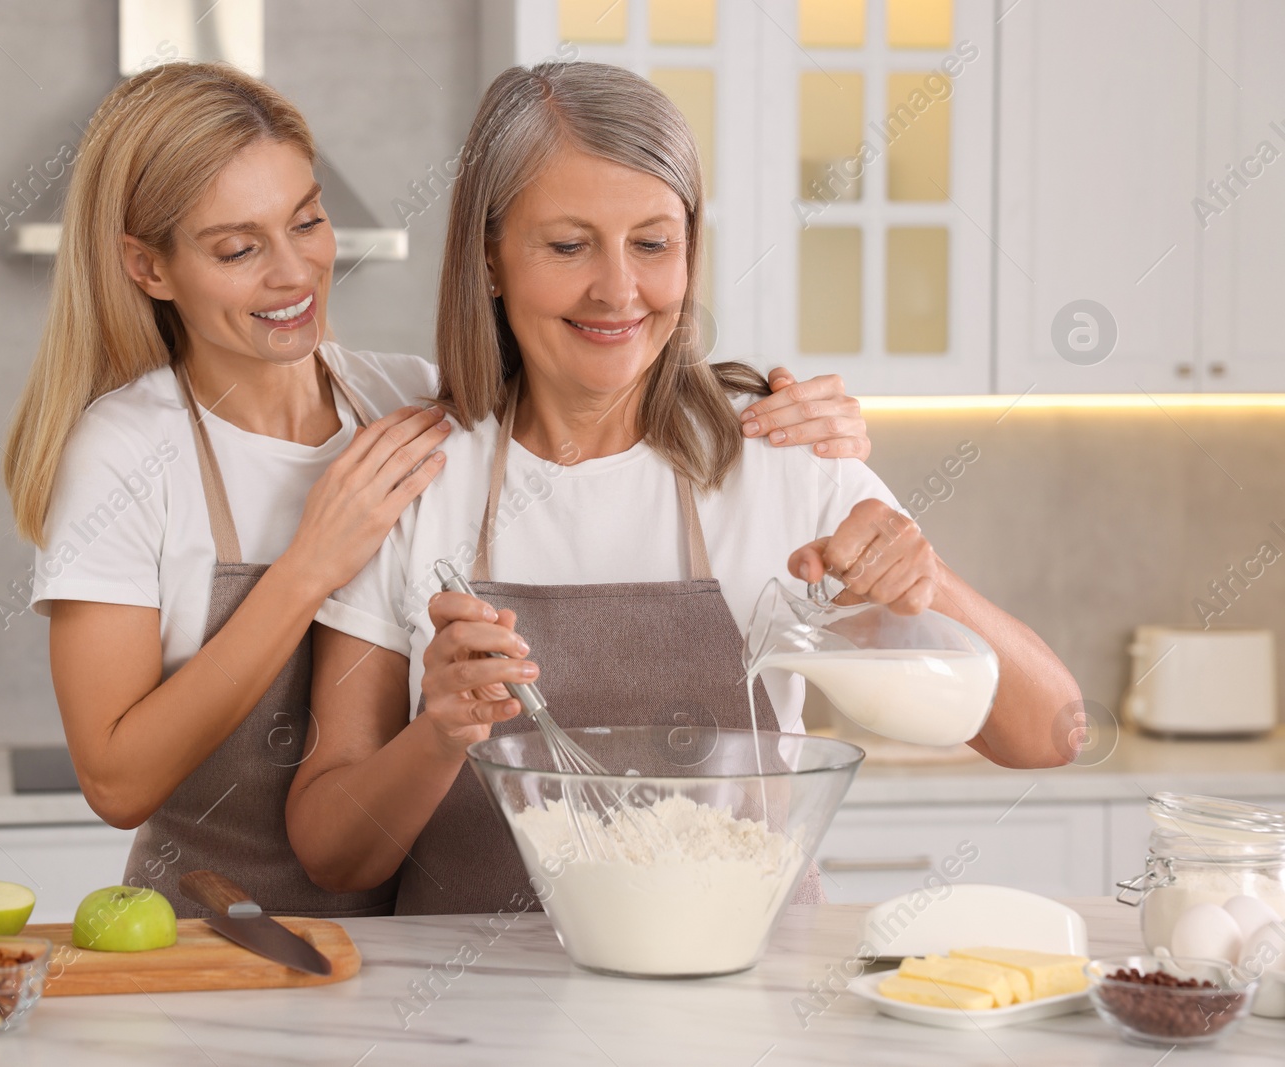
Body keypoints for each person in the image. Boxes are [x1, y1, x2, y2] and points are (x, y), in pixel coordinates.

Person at [2, 62, 871, 916]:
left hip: (393, 945)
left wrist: (805, 433)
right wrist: (307, 566)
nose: (293, 273)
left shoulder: (405, 404)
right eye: (238, 248)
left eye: (307, 222)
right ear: (148, 268)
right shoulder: (125, 451)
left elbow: (575, 382)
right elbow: (115, 781)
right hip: (216, 934)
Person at [287, 62, 1082, 916]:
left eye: (654, 243)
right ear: (489, 259)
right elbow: (334, 851)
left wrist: (927, 583)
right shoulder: (414, 477)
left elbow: (1052, 733)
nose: (618, 290)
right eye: (567, 244)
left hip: (743, 1016)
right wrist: (438, 732)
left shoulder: (781, 453)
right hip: (475, 1021)